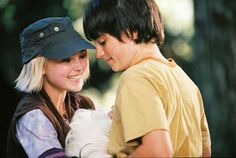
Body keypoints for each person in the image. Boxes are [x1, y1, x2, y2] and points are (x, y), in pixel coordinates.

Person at [83, 0, 211, 157]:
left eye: (102, 42)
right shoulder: (186, 82)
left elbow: (158, 151)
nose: (98, 53)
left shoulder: (136, 77)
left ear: (132, 30)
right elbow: (205, 151)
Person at [6, 16, 95, 158]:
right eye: (66, 59)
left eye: (82, 56)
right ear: (40, 67)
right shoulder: (33, 117)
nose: (79, 66)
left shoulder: (83, 104)